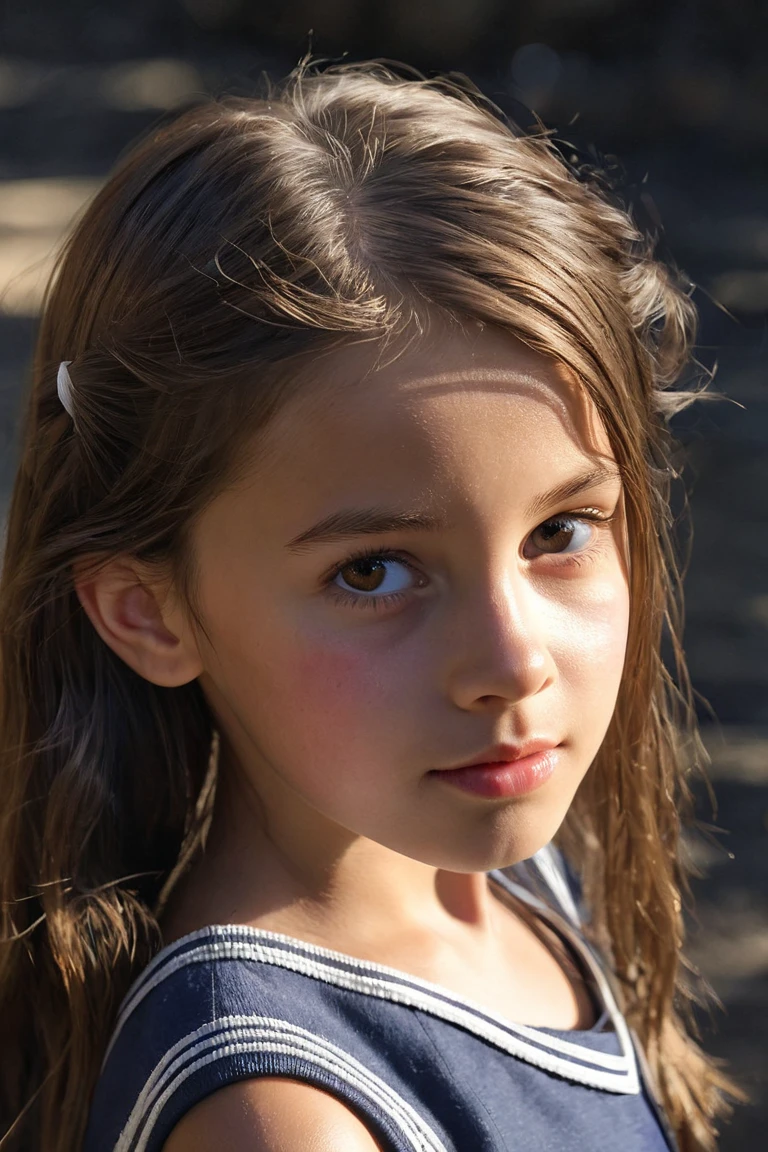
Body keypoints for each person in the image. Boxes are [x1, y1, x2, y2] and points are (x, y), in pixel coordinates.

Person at [0, 61, 741, 1152]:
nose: (511, 659)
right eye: (374, 572)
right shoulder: (286, 1116)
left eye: (560, 533)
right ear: (150, 613)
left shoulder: (506, 867)